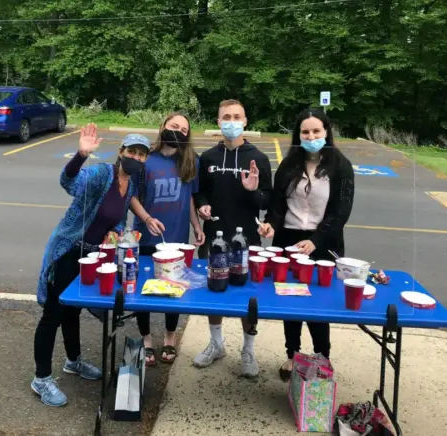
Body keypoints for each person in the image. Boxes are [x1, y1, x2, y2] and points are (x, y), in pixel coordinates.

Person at [32, 124, 151, 407]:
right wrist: (81, 155)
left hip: (93, 257)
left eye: (141, 154)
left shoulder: (130, 184)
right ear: (121, 152)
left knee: (73, 310)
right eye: (131, 151)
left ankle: (73, 361)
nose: (136, 157)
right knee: (54, 313)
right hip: (69, 252)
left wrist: (120, 232)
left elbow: (119, 215)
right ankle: (41, 378)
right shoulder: (101, 174)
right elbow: (70, 182)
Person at [259, 107, 355, 381]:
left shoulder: (341, 167)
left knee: (318, 305)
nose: (311, 136)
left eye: (316, 131)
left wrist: (316, 241)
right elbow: (278, 205)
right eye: (305, 131)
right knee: (290, 302)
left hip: (322, 243)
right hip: (288, 240)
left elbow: (341, 213)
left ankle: (322, 356)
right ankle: (292, 355)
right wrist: (270, 224)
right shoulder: (289, 165)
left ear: (326, 132)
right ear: (298, 134)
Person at [192, 99, 272, 378]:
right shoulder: (209, 158)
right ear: (218, 122)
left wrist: (252, 190)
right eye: (226, 116)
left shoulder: (258, 158)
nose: (231, 120)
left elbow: (266, 200)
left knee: (245, 297)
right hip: (215, 237)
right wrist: (202, 205)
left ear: (245, 121)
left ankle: (248, 348)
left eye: (237, 116)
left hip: (246, 239)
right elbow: (199, 192)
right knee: (215, 292)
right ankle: (216, 344)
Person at [131, 112, 205, 366]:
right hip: (145, 237)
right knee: (144, 289)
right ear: (163, 126)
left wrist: (197, 226)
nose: (177, 132)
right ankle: (147, 339)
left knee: (174, 289)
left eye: (183, 130)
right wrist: (147, 218)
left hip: (176, 239)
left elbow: (192, 198)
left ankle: (170, 338)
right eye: (174, 126)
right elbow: (132, 197)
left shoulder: (191, 161)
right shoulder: (146, 160)